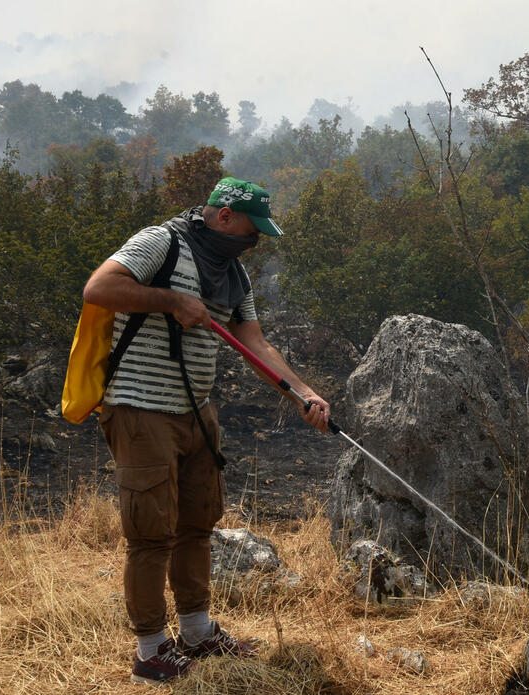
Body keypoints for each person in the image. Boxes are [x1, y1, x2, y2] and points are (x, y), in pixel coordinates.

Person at [83, 177, 330, 685]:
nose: (255, 240)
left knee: (197, 524)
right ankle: (151, 652)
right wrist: (171, 302)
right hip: (141, 409)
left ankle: (196, 631)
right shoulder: (162, 242)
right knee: (151, 534)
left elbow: (256, 343)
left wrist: (303, 394)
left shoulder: (234, 272)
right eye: (251, 228)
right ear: (224, 216)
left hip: (197, 412)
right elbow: (99, 289)